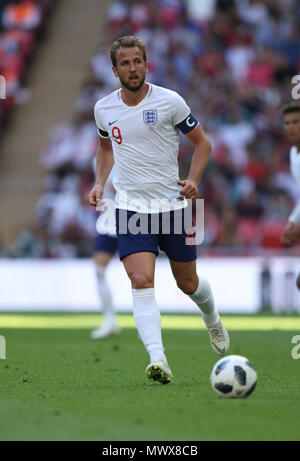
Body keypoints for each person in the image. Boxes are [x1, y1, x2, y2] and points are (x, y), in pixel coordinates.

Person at [89, 36, 229, 384]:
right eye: (125, 63)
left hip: (173, 207)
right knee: (141, 279)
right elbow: (105, 147)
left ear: (146, 64)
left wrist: (194, 179)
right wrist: (99, 183)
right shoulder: (104, 109)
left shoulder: (170, 102)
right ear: (114, 69)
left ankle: (211, 318)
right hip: (132, 208)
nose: (132, 68)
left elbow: (203, 144)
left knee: (188, 283)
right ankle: (158, 358)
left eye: (137, 61)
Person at [91, 163, 121, 339]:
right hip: (109, 221)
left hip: (132, 219)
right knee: (99, 271)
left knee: (139, 275)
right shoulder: (97, 159)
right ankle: (110, 321)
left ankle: (148, 322)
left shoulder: (130, 149)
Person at [281, 102, 300, 289]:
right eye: (287, 123)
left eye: (296, 122)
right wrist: (293, 220)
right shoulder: (294, 153)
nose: (291, 127)